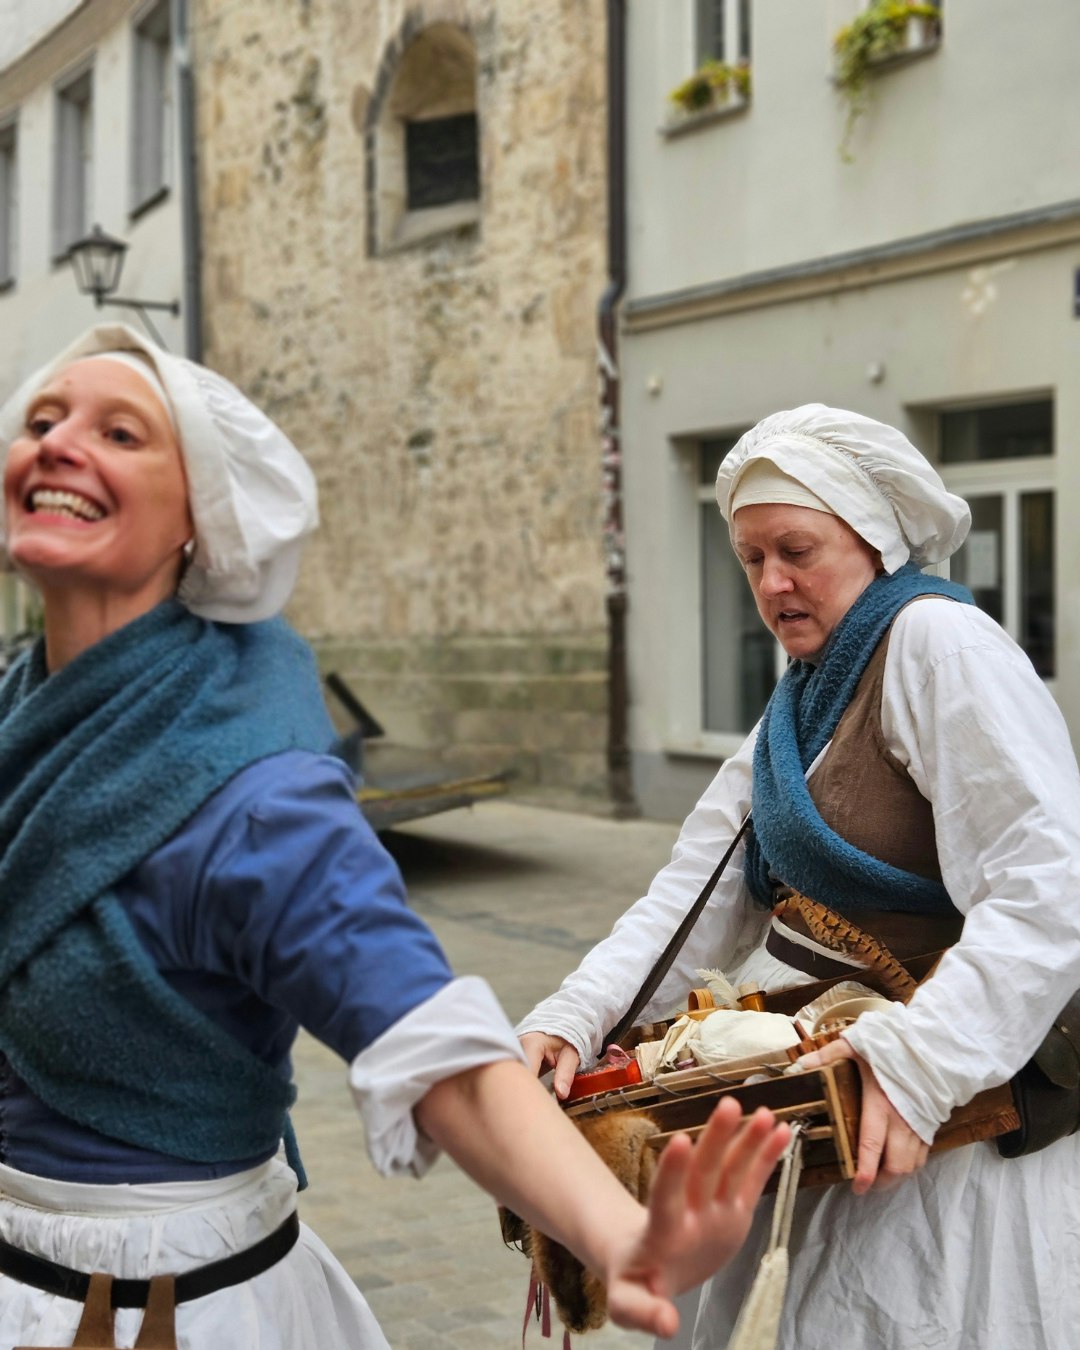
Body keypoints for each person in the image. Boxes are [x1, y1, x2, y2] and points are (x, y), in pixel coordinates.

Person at [0, 324, 791, 1350]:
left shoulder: (255, 801)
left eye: (120, 432)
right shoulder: (19, 721)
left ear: (204, 517)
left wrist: (612, 1231)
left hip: (159, 1313)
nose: (61, 443)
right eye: (43, 420)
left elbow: (435, 1047)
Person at [519, 403, 1080, 1350]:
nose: (773, 582)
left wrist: (919, 1060)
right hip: (820, 1093)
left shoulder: (943, 648)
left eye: (797, 549)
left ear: (872, 541)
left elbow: (1048, 881)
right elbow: (693, 894)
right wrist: (573, 1018)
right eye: (750, 559)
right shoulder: (797, 699)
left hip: (942, 1124)